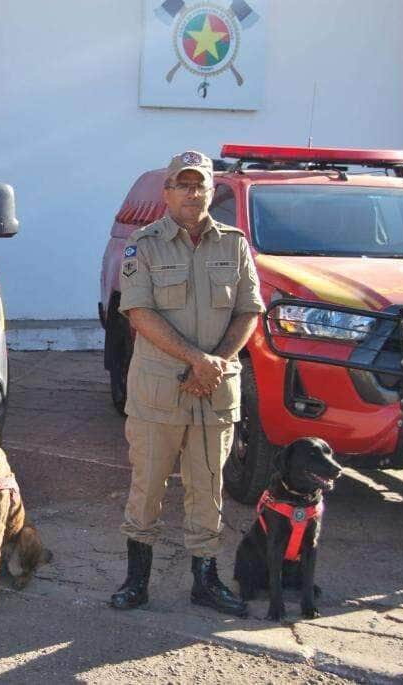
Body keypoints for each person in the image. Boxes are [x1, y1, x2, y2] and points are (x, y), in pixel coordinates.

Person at [111, 150, 264, 616]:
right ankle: (137, 580)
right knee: (148, 487)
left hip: (214, 390)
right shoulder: (144, 244)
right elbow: (139, 313)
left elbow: (249, 311)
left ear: (210, 191)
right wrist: (197, 359)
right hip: (159, 391)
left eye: (200, 186)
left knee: (208, 488)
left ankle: (205, 579)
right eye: (183, 184)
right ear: (168, 192)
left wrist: (216, 362)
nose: (192, 193)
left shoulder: (234, 245)